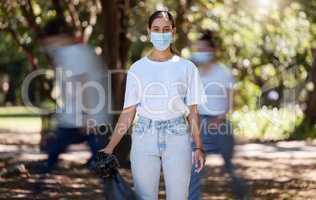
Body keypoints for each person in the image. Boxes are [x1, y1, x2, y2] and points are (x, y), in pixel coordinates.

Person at [100, 10, 206, 200]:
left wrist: (198, 147)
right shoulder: (137, 69)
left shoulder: (187, 67)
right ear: (149, 32)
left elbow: (192, 112)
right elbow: (128, 113)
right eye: (156, 29)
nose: (161, 33)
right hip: (143, 136)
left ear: (173, 32)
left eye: (166, 29)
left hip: (178, 136)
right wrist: (110, 147)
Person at [39, 17, 112, 172]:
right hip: (85, 117)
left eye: (50, 41)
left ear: (60, 37)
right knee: (101, 163)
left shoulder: (72, 53)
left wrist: (85, 116)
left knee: (103, 165)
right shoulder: (77, 51)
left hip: (85, 119)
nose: (49, 46)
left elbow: (83, 83)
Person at [189, 31, 249, 200]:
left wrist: (218, 119)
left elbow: (231, 103)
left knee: (229, 166)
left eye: (204, 49)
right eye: (198, 49)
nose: (200, 52)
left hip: (220, 125)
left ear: (213, 50)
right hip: (200, 124)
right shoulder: (193, 74)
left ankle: (242, 192)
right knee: (195, 169)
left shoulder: (224, 73)